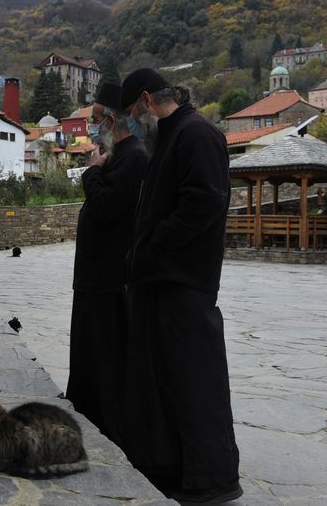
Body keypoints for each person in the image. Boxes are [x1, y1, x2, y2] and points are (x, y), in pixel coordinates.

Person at [118, 68, 242, 504]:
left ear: (147, 100)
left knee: (194, 382)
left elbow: (204, 201)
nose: (132, 122)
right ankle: (173, 468)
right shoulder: (170, 136)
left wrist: (153, 245)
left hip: (184, 279)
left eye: (133, 112)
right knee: (165, 381)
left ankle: (211, 479)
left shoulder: (197, 134)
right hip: (162, 279)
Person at [65, 83, 148, 445]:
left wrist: (92, 172)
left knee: (104, 358)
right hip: (93, 278)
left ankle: (106, 424)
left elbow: (106, 208)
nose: (91, 127)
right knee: (88, 353)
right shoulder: (118, 155)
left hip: (109, 279)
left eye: (96, 119)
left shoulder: (134, 158)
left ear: (112, 120)